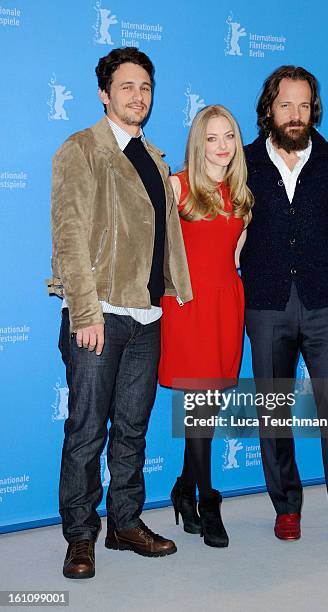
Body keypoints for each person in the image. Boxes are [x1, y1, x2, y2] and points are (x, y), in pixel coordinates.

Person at [48, 47, 192, 579]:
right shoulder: (80, 149)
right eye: (128, 86)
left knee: (132, 430)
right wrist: (83, 312)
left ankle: (125, 523)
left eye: (146, 88)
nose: (139, 96)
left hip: (147, 316)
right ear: (105, 93)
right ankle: (80, 536)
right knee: (87, 431)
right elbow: (68, 239)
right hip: (99, 316)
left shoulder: (153, 158)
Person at [240, 66, 328, 548]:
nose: (295, 115)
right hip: (265, 305)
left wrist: (312, 262)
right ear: (269, 109)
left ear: (313, 108)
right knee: (273, 415)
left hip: (323, 305)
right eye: (286, 105)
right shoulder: (244, 161)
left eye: (303, 105)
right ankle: (287, 508)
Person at [159, 105, 253, 547]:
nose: (222, 146)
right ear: (199, 143)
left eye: (228, 136)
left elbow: (234, 254)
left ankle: (182, 489)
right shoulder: (176, 186)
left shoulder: (242, 194)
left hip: (226, 305)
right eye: (212, 138)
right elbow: (152, 248)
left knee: (206, 408)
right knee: (199, 404)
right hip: (188, 306)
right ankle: (208, 499)